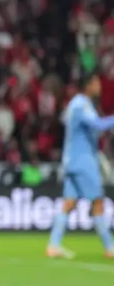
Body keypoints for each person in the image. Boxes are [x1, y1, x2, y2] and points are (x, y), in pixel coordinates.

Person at [46, 72, 114, 259]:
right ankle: (110, 247)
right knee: (98, 201)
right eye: (97, 83)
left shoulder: (80, 104)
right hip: (83, 161)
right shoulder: (80, 104)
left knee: (68, 203)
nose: (100, 87)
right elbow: (97, 125)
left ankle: (53, 245)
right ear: (88, 86)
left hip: (72, 160)